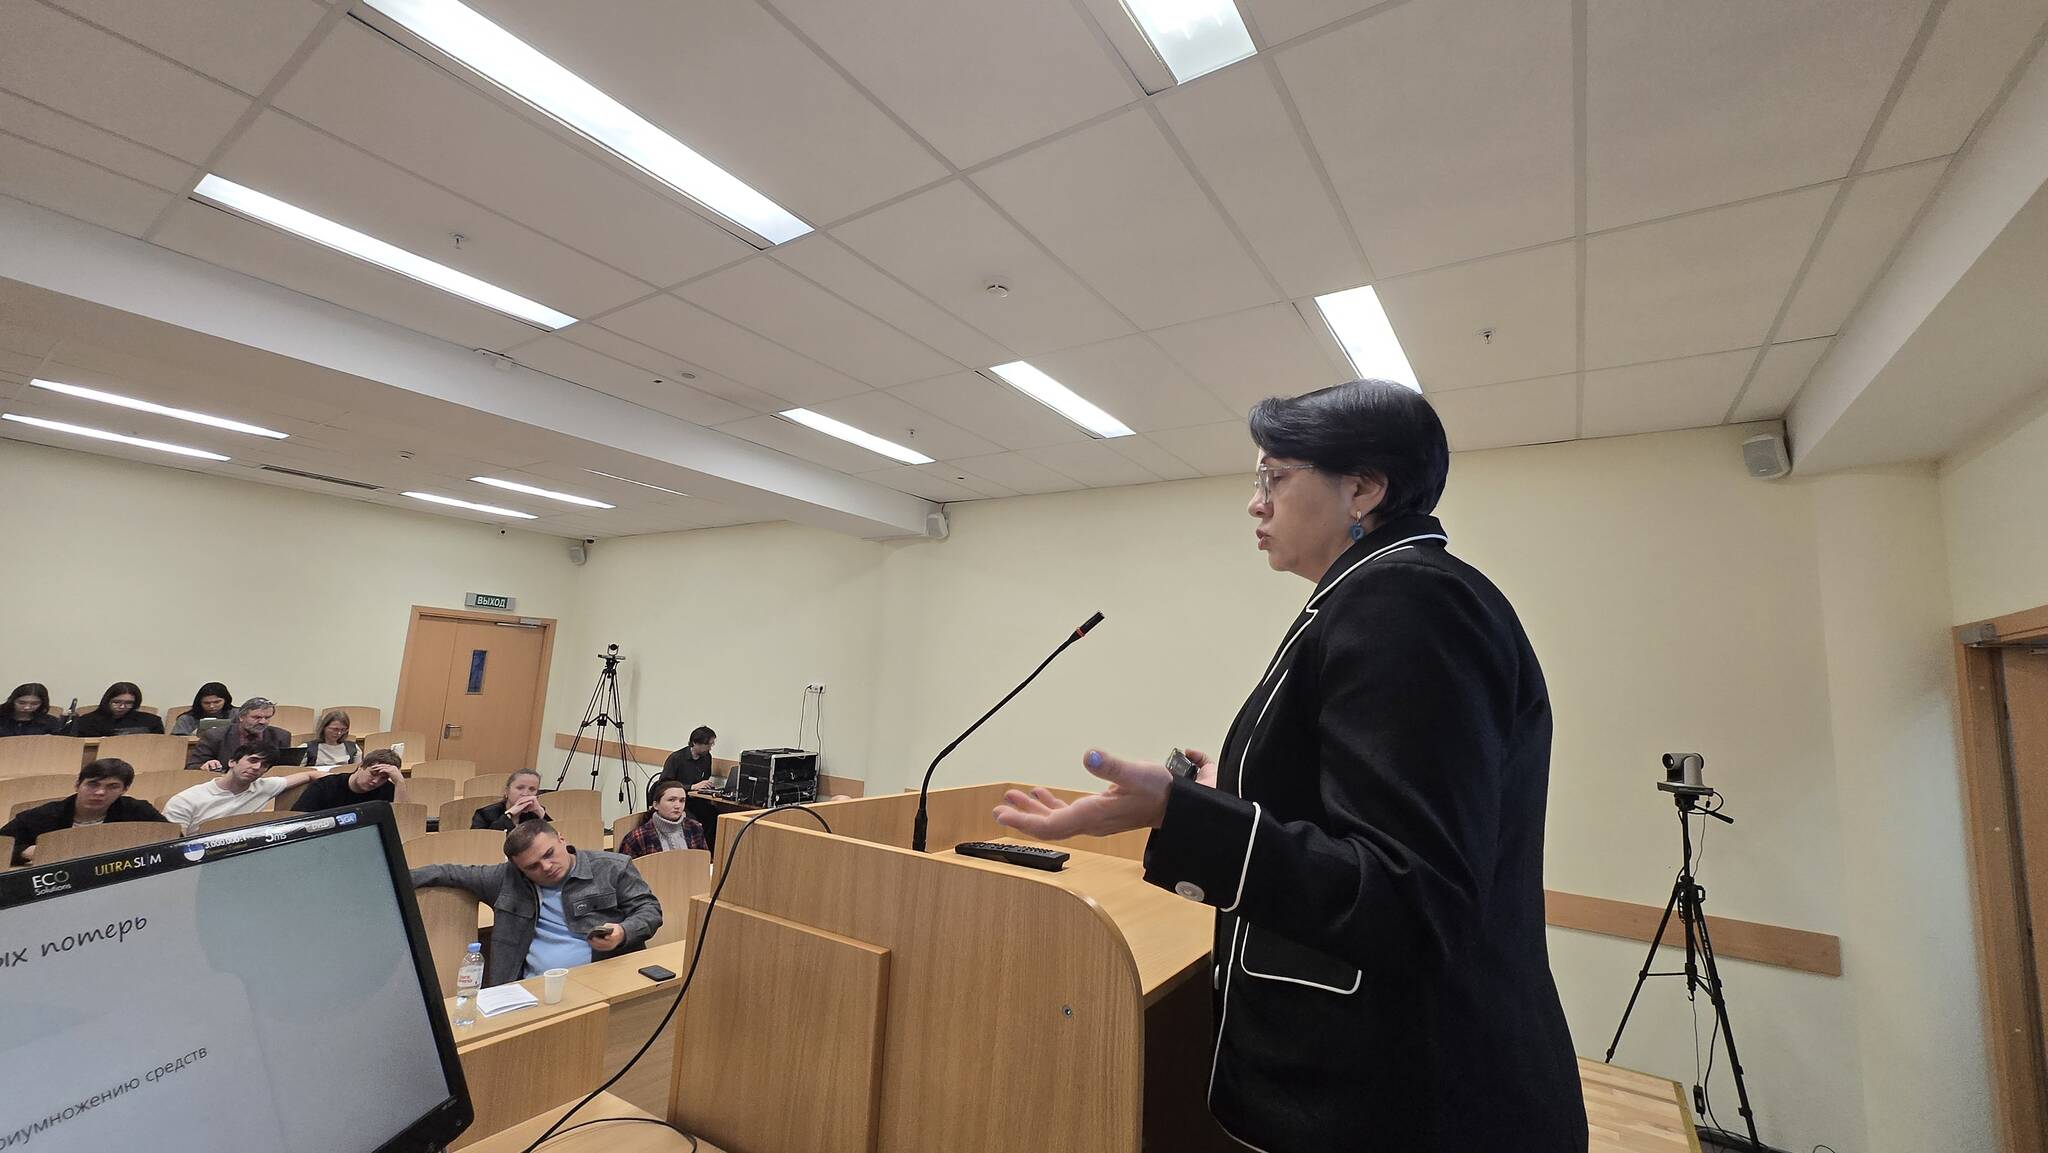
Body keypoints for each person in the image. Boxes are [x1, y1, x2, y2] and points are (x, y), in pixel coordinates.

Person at [991, 381, 1586, 1153]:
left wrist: (1185, 814)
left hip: (1412, 1105)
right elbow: (1359, 820)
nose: (1255, 502)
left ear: (1363, 489)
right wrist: (1221, 794)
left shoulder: (1405, 600)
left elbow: (1411, 894)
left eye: (1274, 476)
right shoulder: (1372, 596)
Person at [409, 820, 662, 986]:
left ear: (561, 839)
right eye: (533, 866)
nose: (547, 867)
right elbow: (449, 872)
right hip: (529, 988)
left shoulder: (612, 867)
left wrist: (623, 932)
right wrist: (393, 881)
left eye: (549, 854)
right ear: (519, 869)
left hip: (602, 979)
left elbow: (649, 910)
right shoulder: (506, 878)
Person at [0, 758, 167, 864]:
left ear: (124, 789)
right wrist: (25, 852)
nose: (100, 792)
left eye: (112, 787)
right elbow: (2, 845)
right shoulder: (43, 815)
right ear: (77, 785)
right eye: (93, 784)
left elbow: (172, 841)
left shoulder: (138, 811)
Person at [162, 744, 321, 833]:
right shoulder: (185, 800)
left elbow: (308, 775)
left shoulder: (264, 787)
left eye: (264, 765)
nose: (257, 767)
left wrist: (331, 777)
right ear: (232, 762)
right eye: (252, 760)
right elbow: (172, 841)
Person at [186, 697, 291, 770]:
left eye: (267, 718)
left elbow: (284, 769)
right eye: (257, 717)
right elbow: (192, 766)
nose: (263, 722)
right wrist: (206, 765)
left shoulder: (281, 736)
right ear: (241, 717)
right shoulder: (214, 736)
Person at [291, 747, 407, 813]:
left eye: (383, 778)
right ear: (361, 766)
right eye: (373, 774)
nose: (376, 781)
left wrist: (399, 782)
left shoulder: (387, 789)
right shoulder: (325, 786)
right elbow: (299, 818)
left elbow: (401, 822)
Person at [618, 779, 707, 857]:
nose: (678, 806)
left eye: (682, 800)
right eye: (671, 800)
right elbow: (625, 870)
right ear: (656, 805)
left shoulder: (694, 828)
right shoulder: (638, 837)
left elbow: (703, 861)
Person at [66, 682, 166, 738]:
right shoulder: (87, 721)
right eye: (116, 702)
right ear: (107, 701)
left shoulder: (152, 721)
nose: (122, 707)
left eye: (129, 703)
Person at [471, 769, 550, 831]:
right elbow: (484, 840)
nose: (525, 793)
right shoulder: (484, 814)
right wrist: (509, 815)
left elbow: (554, 839)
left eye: (532, 789)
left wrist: (541, 813)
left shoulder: (536, 814)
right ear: (507, 791)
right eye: (520, 788)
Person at [1, 683, 66, 738]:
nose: (27, 707)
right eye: (21, 703)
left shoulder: (51, 722)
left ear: (42, 704)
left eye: (34, 704)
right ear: (12, 701)